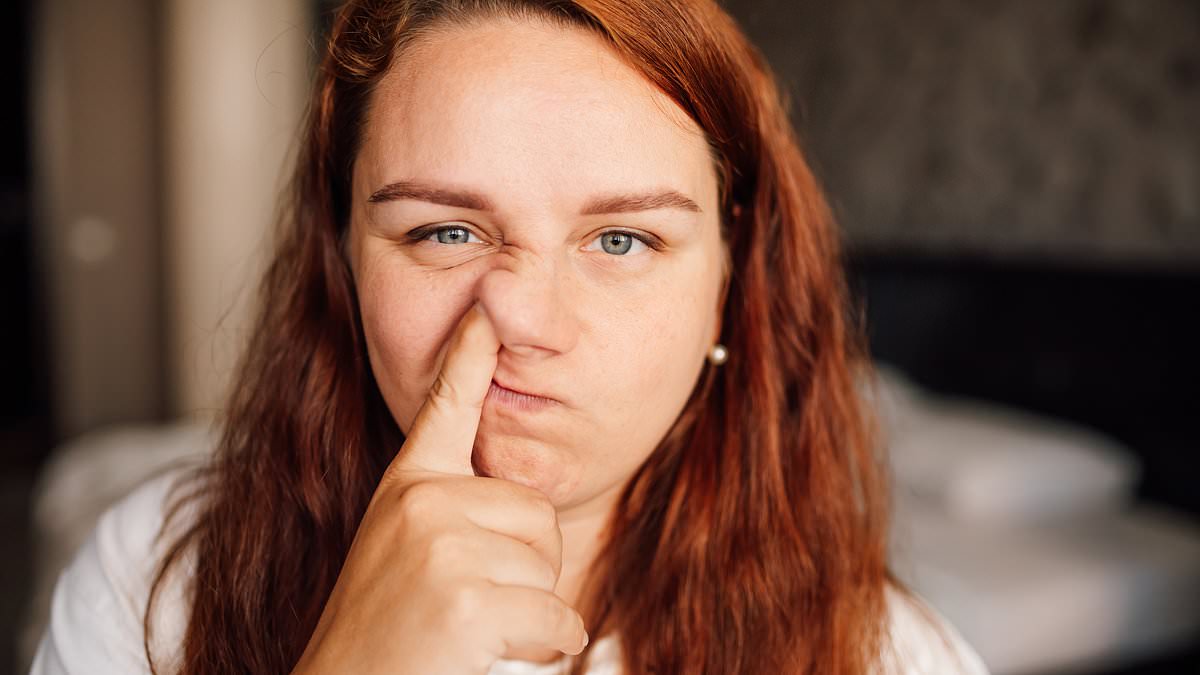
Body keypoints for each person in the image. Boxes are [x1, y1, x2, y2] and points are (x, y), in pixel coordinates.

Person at [33, 0, 988, 673]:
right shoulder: (156, 578)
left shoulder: (886, 655)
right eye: (445, 231)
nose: (522, 318)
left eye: (622, 238)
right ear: (347, 260)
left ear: (727, 287)